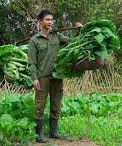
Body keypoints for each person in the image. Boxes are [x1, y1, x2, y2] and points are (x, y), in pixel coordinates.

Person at [28, 9, 82, 142]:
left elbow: (74, 43)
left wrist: (79, 30)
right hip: (42, 77)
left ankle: (54, 132)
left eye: (51, 20)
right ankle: (39, 133)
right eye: (47, 19)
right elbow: (32, 62)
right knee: (39, 104)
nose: (50, 22)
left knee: (56, 104)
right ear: (40, 21)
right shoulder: (34, 41)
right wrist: (34, 78)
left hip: (57, 76)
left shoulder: (57, 36)